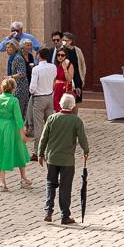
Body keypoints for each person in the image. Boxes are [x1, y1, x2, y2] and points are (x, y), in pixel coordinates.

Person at [37, 93, 90, 225]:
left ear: (61, 104)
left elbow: (44, 137)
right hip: (67, 160)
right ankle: (65, 215)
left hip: (52, 158)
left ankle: (48, 212)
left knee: (50, 184)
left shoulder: (52, 118)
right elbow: (82, 138)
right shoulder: (76, 121)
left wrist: (40, 153)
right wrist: (86, 150)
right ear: (72, 106)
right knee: (65, 187)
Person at [0, 77, 33, 191]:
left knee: (1, 152)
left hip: (0, 127)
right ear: (13, 88)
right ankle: (23, 178)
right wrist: (23, 134)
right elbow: (18, 118)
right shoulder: (14, 100)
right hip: (13, 128)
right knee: (19, 150)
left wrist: (0, 112)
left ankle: (2, 182)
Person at [28, 46, 57, 153]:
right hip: (49, 97)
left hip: (39, 98)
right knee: (50, 125)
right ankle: (52, 148)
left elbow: (32, 87)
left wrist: (32, 91)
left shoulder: (36, 69)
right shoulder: (53, 67)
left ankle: (37, 151)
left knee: (38, 126)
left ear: (39, 56)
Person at [6, 40, 30, 118]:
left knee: (18, 113)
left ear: (14, 48)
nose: (7, 49)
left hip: (20, 89)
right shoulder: (12, 58)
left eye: (8, 47)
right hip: (16, 88)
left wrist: (10, 77)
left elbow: (22, 73)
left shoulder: (18, 58)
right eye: (6, 47)